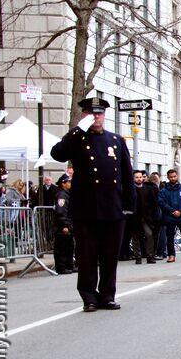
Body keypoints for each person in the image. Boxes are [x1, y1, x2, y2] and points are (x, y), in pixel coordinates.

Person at [50, 97, 136, 312]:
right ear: (84, 116)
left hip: (113, 208)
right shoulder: (78, 139)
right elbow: (57, 154)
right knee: (87, 256)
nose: (96, 117)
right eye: (91, 113)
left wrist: (128, 206)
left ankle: (107, 295)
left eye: (99, 113)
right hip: (86, 208)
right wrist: (77, 129)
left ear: (104, 116)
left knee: (109, 256)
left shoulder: (116, 140)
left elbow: (127, 176)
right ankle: (89, 297)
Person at [131, 170, 158, 264]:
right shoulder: (130, 189)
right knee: (136, 237)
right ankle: (137, 257)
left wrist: (151, 214)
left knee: (149, 234)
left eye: (140, 177)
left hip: (146, 217)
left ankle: (150, 256)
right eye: (136, 177)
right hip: (134, 217)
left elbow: (153, 203)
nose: (139, 179)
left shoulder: (148, 188)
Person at [53, 174, 75, 274]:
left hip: (68, 223)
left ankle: (69, 265)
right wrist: (65, 225)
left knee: (69, 246)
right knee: (62, 248)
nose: (70, 184)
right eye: (68, 182)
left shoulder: (67, 194)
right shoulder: (61, 195)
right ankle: (62, 267)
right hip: (62, 226)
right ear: (63, 184)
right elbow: (60, 211)